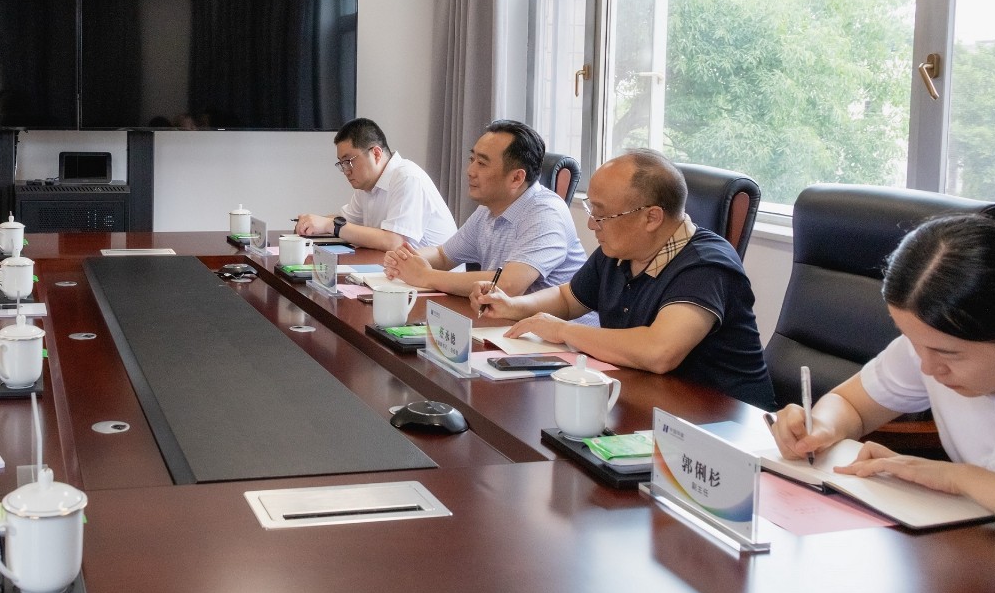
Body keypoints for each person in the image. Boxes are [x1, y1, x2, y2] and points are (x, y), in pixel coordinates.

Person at [770, 214, 995, 540]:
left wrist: (963, 478)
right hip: (980, 543)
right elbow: (850, 403)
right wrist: (822, 428)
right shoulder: (930, 347)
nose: (927, 368)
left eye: (948, 354)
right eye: (913, 342)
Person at [471, 149, 774, 409]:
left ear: (651, 217)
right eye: (591, 209)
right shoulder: (621, 250)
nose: (592, 224)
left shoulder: (706, 265)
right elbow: (568, 298)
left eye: (601, 214)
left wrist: (562, 330)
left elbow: (659, 351)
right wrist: (513, 305)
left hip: (721, 421)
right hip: (646, 400)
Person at [384, 120, 584, 299]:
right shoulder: (488, 209)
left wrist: (426, 276)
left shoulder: (546, 214)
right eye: (472, 160)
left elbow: (508, 285)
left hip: (555, 328)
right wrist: (405, 260)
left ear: (516, 178)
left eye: (482, 163)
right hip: (503, 321)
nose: (470, 171)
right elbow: (443, 256)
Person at [295, 118, 456, 251]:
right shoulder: (366, 185)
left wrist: (329, 225)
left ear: (376, 154)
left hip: (434, 277)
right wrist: (313, 222)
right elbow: (346, 222)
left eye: (348, 161)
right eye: (341, 163)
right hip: (394, 270)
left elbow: (395, 242)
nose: (346, 171)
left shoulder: (407, 178)